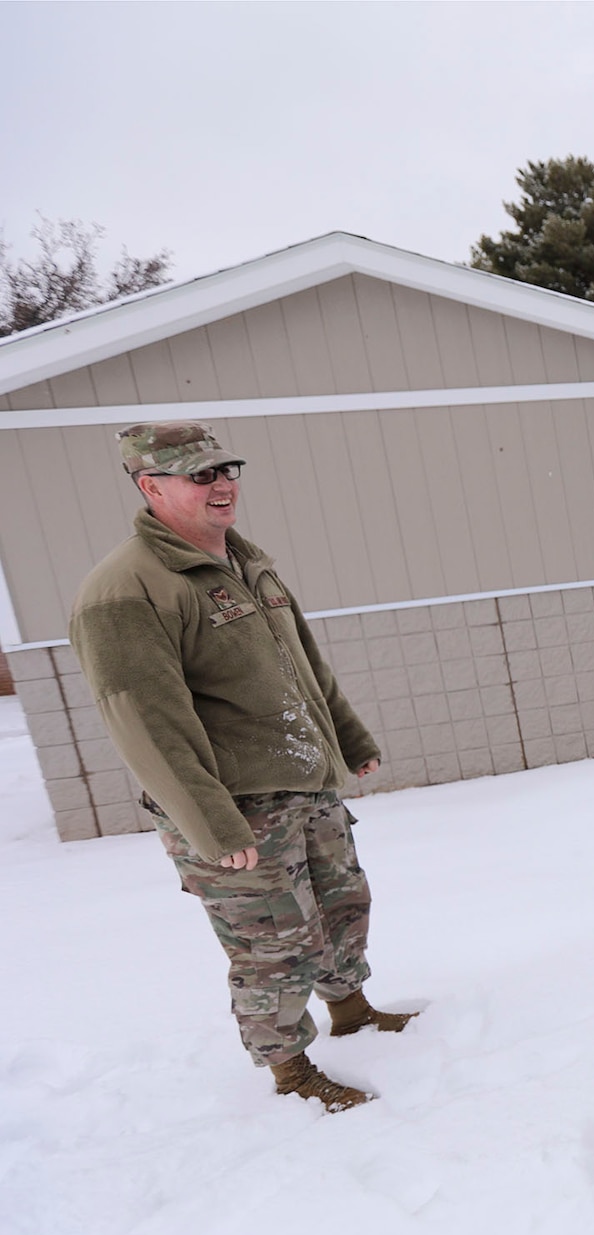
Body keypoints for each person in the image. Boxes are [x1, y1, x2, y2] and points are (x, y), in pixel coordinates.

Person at [69, 421, 417, 1113]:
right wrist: (212, 824)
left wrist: (347, 737)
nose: (222, 482)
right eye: (200, 474)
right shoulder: (126, 590)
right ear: (150, 486)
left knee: (340, 906)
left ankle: (351, 1010)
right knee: (272, 947)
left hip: (303, 782)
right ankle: (291, 1072)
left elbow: (306, 665)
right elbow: (146, 723)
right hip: (236, 808)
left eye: (227, 468)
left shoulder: (245, 561)